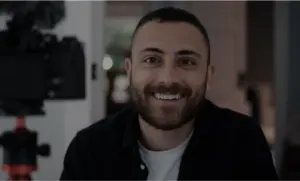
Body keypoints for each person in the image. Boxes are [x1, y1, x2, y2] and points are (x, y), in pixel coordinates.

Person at [60, 7, 278, 180]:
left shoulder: (243, 142)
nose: (168, 79)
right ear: (130, 70)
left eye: (186, 61)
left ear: (208, 76)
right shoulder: (90, 149)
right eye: (152, 60)